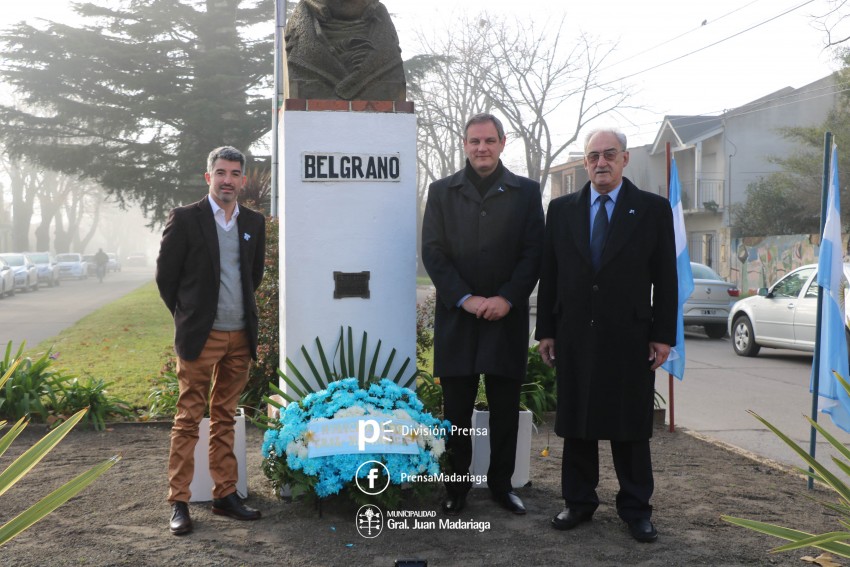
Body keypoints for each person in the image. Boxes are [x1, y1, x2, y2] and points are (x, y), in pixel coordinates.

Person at [535, 128, 677, 543]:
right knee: (578, 421)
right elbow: (550, 274)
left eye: (609, 154)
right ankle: (578, 502)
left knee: (629, 424)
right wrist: (546, 330)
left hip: (629, 336)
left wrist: (663, 335)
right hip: (574, 332)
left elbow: (665, 279)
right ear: (585, 162)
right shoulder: (561, 210)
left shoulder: (652, 210)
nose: (601, 162)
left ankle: (636, 509)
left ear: (625, 159)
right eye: (593, 156)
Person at [421, 113, 544, 516]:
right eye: (474, 141)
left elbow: (533, 254)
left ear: (503, 143)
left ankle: (501, 485)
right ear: (464, 144)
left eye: (489, 141)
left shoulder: (526, 192)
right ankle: (455, 489)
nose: (481, 148)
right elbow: (433, 253)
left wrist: (507, 298)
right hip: (458, 319)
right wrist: (465, 298)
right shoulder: (441, 192)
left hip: (505, 319)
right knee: (455, 413)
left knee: (505, 410)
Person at [156, 146, 266, 536]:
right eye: (220, 172)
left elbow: (254, 276)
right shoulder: (186, 219)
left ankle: (225, 495)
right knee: (188, 419)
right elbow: (166, 278)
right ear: (209, 177)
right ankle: (180, 502)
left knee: (225, 418)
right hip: (200, 337)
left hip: (240, 336)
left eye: (235, 173)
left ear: (242, 179)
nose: (227, 180)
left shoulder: (253, 220)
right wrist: (190, 317)